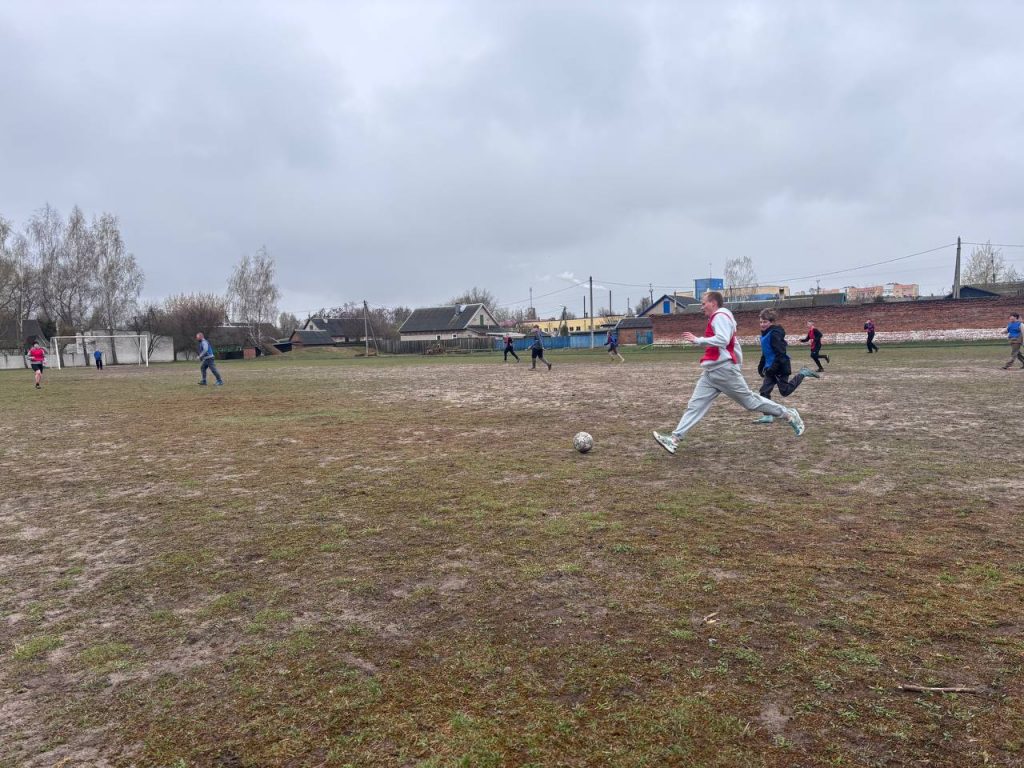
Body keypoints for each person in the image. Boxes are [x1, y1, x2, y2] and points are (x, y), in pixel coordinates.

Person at [652, 291, 804, 454]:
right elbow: (732, 343)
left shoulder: (720, 316)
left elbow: (723, 339)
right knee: (695, 406)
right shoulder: (718, 318)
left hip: (724, 371)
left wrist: (698, 340)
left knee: (750, 402)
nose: (701, 307)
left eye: (703, 303)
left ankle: (788, 414)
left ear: (713, 303)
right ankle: (674, 439)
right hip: (711, 372)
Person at [754, 309, 819, 424]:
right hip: (770, 368)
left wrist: (772, 369)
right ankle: (768, 416)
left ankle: (802, 373)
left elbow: (780, 354)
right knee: (764, 391)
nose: (762, 324)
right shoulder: (764, 334)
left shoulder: (774, 334)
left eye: (765, 322)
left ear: (771, 322)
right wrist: (761, 366)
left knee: (785, 391)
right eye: (761, 322)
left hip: (780, 367)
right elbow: (766, 352)